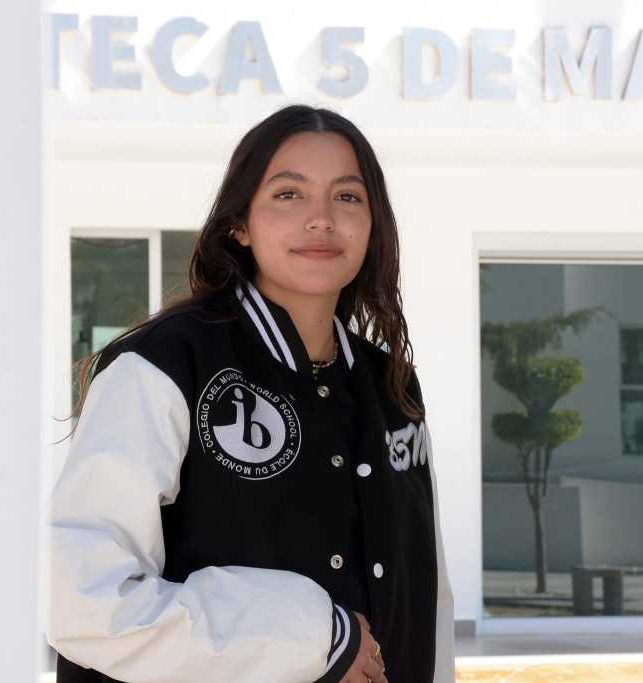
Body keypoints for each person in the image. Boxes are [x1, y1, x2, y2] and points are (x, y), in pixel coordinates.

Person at [47, 104, 454, 683]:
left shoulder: (394, 386)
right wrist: (313, 637)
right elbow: (84, 600)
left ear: (373, 225)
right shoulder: (163, 366)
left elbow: (429, 597)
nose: (321, 219)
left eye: (347, 196)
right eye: (289, 194)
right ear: (239, 224)